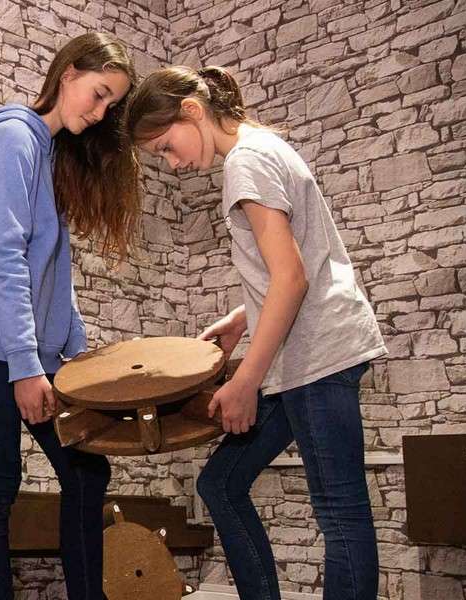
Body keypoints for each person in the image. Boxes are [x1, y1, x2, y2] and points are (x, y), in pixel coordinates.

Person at [124, 65, 387, 600]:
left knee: (340, 513)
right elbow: (293, 263)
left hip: (317, 354)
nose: (172, 163)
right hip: (307, 352)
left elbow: (291, 276)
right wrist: (242, 316)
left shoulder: (246, 163)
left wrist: (246, 381)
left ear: (192, 111)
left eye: (165, 147)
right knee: (219, 483)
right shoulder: (266, 147)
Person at [0, 32, 142, 600]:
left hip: (27, 347)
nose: (99, 113)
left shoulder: (47, 153)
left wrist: (77, 355)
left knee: (86, 470)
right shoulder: (11, 140)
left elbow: (51, 270)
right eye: (98, 95)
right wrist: (26, 368)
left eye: (109, 107)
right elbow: (3, 256)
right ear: (68, 72)